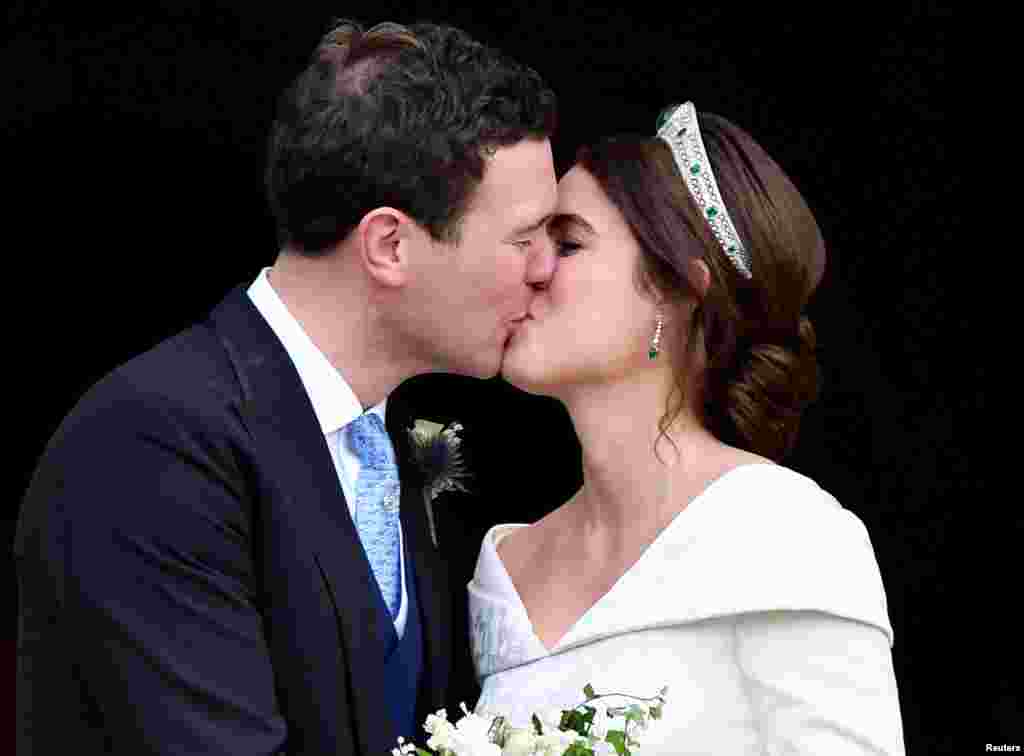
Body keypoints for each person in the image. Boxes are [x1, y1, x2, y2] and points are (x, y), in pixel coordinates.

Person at [15, 19, 559, 755]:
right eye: (525, 238)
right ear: (390, 245)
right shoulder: (153, 443)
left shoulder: (391, 441)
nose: (545, 269)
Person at [469, 102, 905, 753]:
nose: (533, 268)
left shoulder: (785, 534)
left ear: (679, 293)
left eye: (568, 243)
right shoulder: (502, 567)